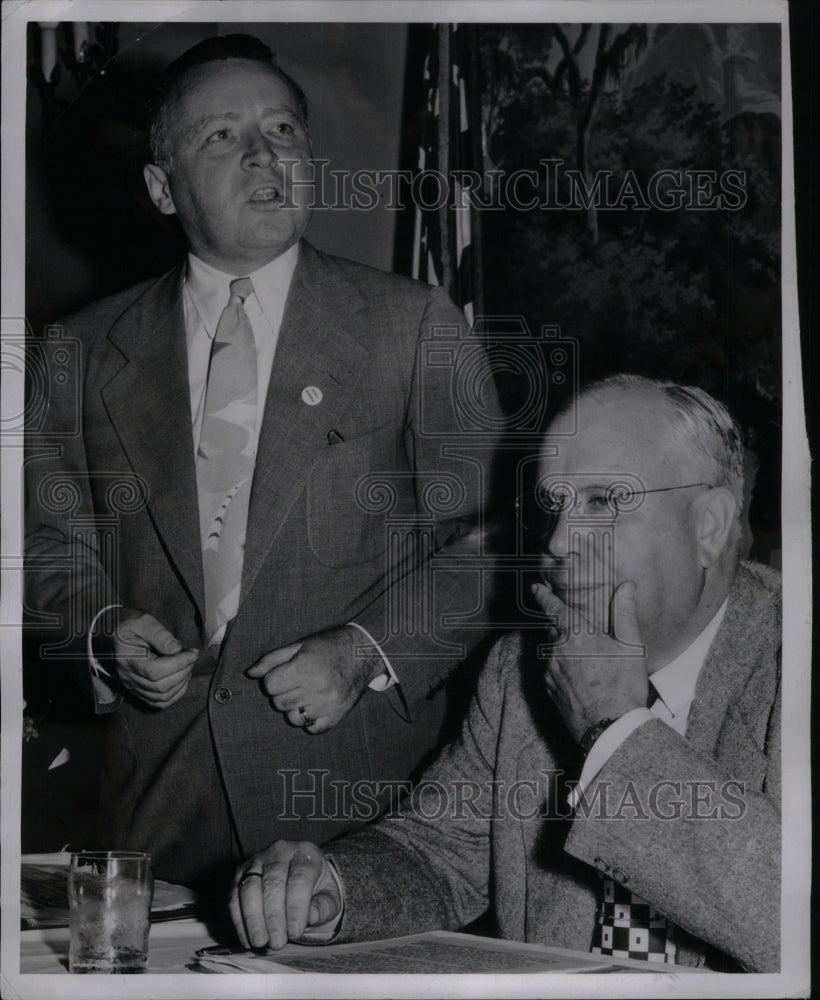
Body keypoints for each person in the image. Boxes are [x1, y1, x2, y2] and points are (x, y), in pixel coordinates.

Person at [25, 34, 500, 886]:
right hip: (161, 817)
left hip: (361, 818)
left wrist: (364, 651)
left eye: (283, 129)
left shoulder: (413, 324)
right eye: (221, 136)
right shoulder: (81, 350)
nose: (263, 154)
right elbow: (52, 548)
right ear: (161, 189)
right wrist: (102, 633)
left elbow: (490, 541)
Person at [231, 375, 781, 973]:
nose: (561, 541)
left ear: (709, 525)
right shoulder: (523, 664)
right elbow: (440, 849)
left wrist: (614, 731)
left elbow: (788, 910)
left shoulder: (793, 659)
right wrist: (333, 888)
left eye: (603, 501)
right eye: (554, 507)